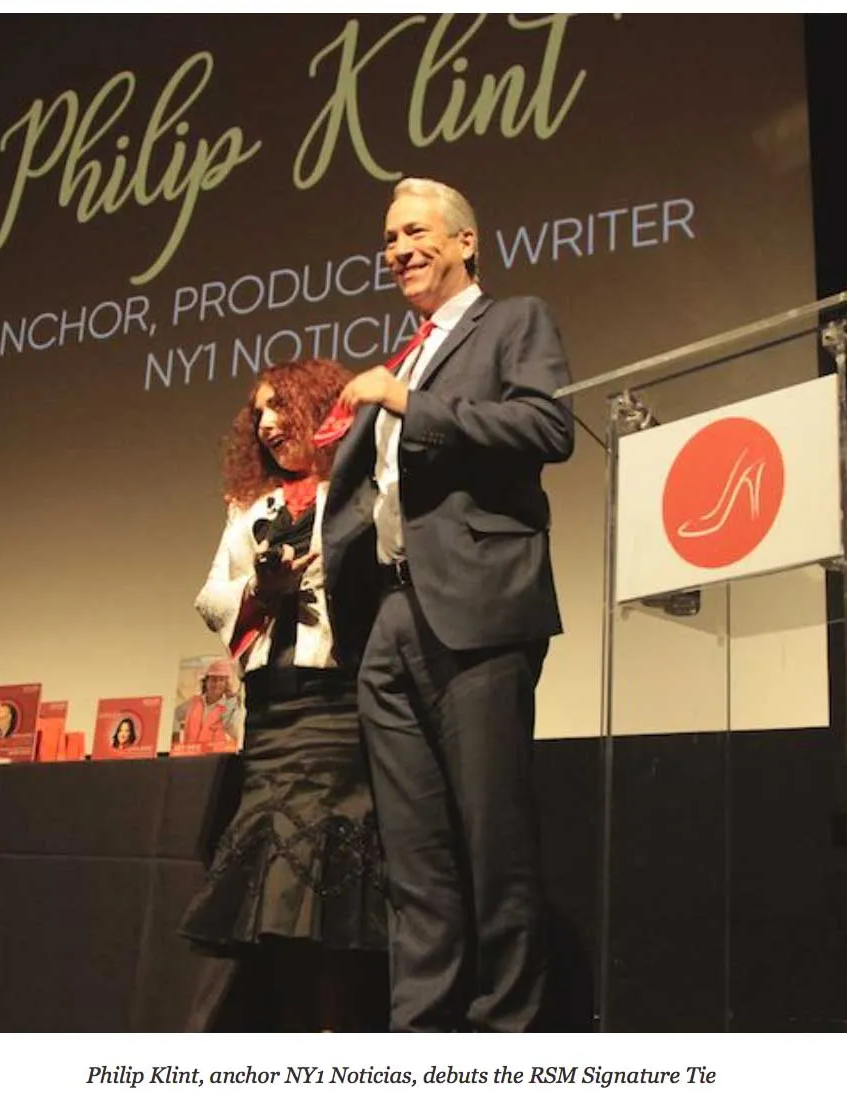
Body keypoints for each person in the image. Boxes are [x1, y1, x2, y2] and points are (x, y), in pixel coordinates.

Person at [319, 178, 574, 1032]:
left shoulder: (512, 320)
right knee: (414, 854)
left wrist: (409, 404)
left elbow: (548, 428)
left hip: (475, 604)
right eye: (389, 238)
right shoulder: (404, 354)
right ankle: (419, 1041)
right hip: (389, 618)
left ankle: (505, 1039)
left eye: (416, 232)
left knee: (495, 843)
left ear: (467, 241)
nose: (398, 249)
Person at [178, 358, 389, 1032]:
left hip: (338, 708)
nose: (268, 424)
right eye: (259, 413)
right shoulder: (249, 508)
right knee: (275, 892)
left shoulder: (360, 490)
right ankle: (298, 1039)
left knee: (328, 888)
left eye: (282, 408)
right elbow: (210, 594)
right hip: (272, 712)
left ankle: (335, 1040)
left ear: (322, 411)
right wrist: (258, 592)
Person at [173, 660, 241, 750]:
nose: (217, 684)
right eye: (213, 680)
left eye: (221, 680)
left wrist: (231, 701)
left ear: (226, 684)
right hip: (190, 756)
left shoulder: (230, 706)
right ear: (206, 682)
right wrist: (176, 739)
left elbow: (235, 732)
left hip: (216, 759)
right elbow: (174, 715)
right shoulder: (193, 702)